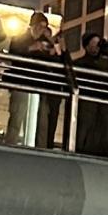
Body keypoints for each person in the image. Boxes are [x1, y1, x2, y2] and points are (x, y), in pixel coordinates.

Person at [70, 30, 108, 158]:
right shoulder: (81, 63)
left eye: (98, 44)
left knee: (107, 128)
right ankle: (79, 149)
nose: (96, 47)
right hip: (88, 101)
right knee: (85, 127)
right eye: (93, 44)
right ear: (86, 46)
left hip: (106, 102)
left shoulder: (107, 64)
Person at [21, 9, 65, 148]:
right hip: (24, 84)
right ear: (33, 26)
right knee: (19, 118)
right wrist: (31, 48)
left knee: (43, 123)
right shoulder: (21, 39)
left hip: (44, 87)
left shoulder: (47, 43)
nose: (42, 30)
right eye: (40, 26)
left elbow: (61, 62)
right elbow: (15, 53)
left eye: (45, 27)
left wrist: (54, 46)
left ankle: (41, 148)